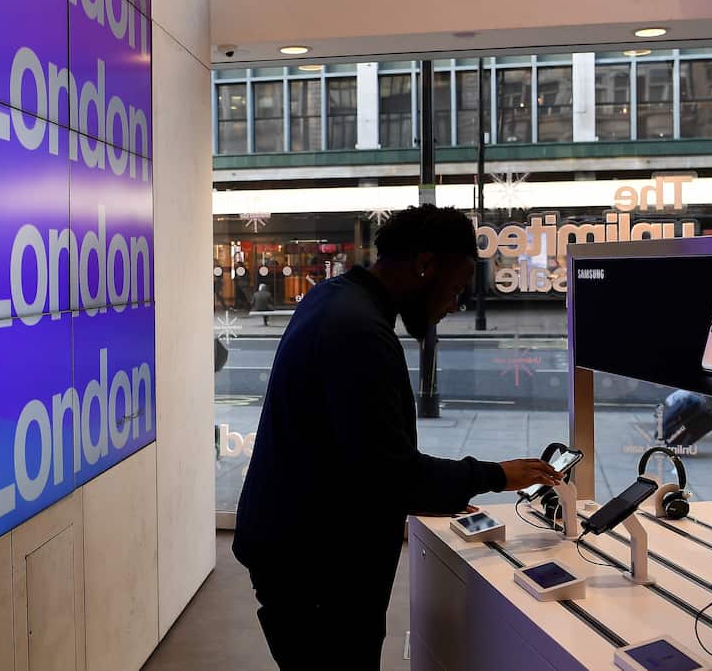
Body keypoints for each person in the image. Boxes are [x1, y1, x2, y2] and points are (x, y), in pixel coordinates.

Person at [232, 205, 564, 670]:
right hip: (317, 567)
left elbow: (351, 451)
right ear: (425, 264)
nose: (455, 303)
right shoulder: (359, 332)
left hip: (298, 547)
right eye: (456, 285)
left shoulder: (333, 298)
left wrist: (419, 493)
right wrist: (494, 475)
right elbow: (388, 470)